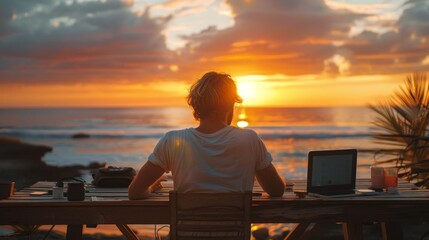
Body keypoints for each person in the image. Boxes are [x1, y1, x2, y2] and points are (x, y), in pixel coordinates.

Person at [128, 72, 285, 200]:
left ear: (196, 106)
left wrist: (149, 189)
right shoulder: (249, 139)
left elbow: (134, 192)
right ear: (230, 105)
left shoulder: (173, 140)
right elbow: (276, 190)